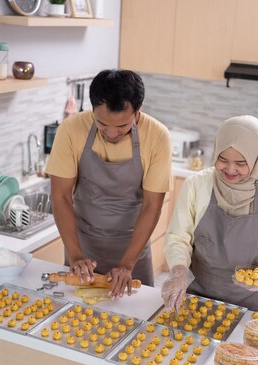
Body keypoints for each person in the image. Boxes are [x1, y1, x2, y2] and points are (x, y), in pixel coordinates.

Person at [45, 69, 172, 298]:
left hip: (133, 249)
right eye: (102, 124)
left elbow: (152, 205)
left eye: (122, 126)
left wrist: (127, 265)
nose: (112, 133)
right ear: (92, 109)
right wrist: (75, 256)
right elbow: (61, 196)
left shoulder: (157, 136)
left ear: (138, 110)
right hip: (81, 247)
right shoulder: (71, 129)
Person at [161, 115, 258, 312]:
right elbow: (178, 236)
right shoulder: (197, 184)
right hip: (198, 296)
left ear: (257, 158)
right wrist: (179, 271)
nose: (230, 169)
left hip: (252, 302)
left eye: (241, 163)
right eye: (222, 159)